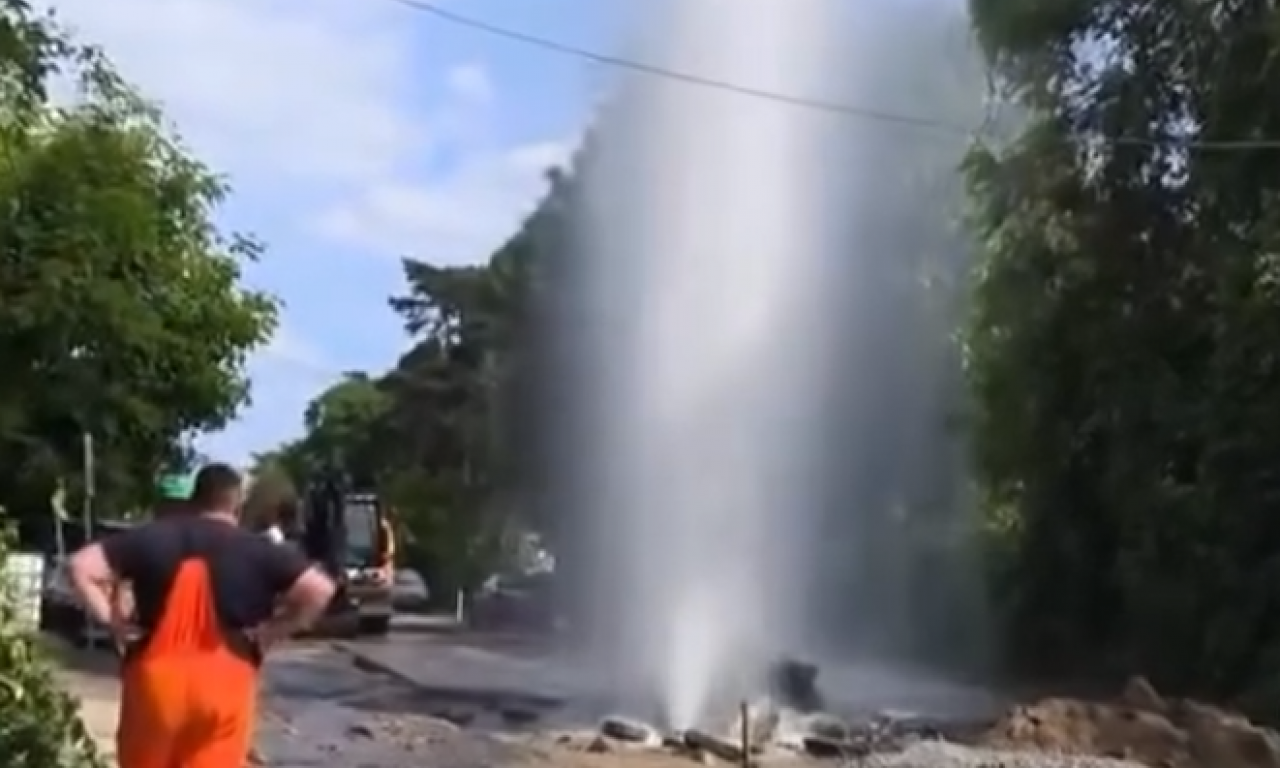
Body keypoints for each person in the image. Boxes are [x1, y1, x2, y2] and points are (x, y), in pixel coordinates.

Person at [67, 463, 336, 768]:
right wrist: (273, 632)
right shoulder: (257, 549)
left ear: (195, 498)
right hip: (226, 683)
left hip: (155, 681)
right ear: (237, 503)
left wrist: (112, 621)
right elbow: (320, 589)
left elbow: (80, 567)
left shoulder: (150, 538)